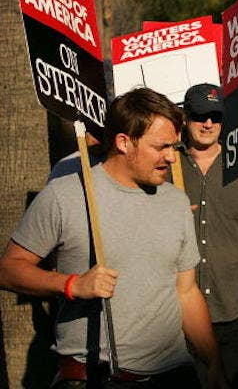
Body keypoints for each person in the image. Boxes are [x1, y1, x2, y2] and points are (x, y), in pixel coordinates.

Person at [0, 88, 226, 388]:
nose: (172, 157)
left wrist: (213, 363)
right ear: (123, 142)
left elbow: (185, 291)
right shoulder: (66, 195)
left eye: (174, 146)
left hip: (174, 374)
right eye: (161, 147)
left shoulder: (175, 201)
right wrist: (72, 285)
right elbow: (9, 269)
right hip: (93, 376)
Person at [179, 83, 238, 388]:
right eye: (199, 115)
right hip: (178, 317)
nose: (208, 124)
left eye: (215, 116)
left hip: (235, 313)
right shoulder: (164, 165)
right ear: (185, 117)